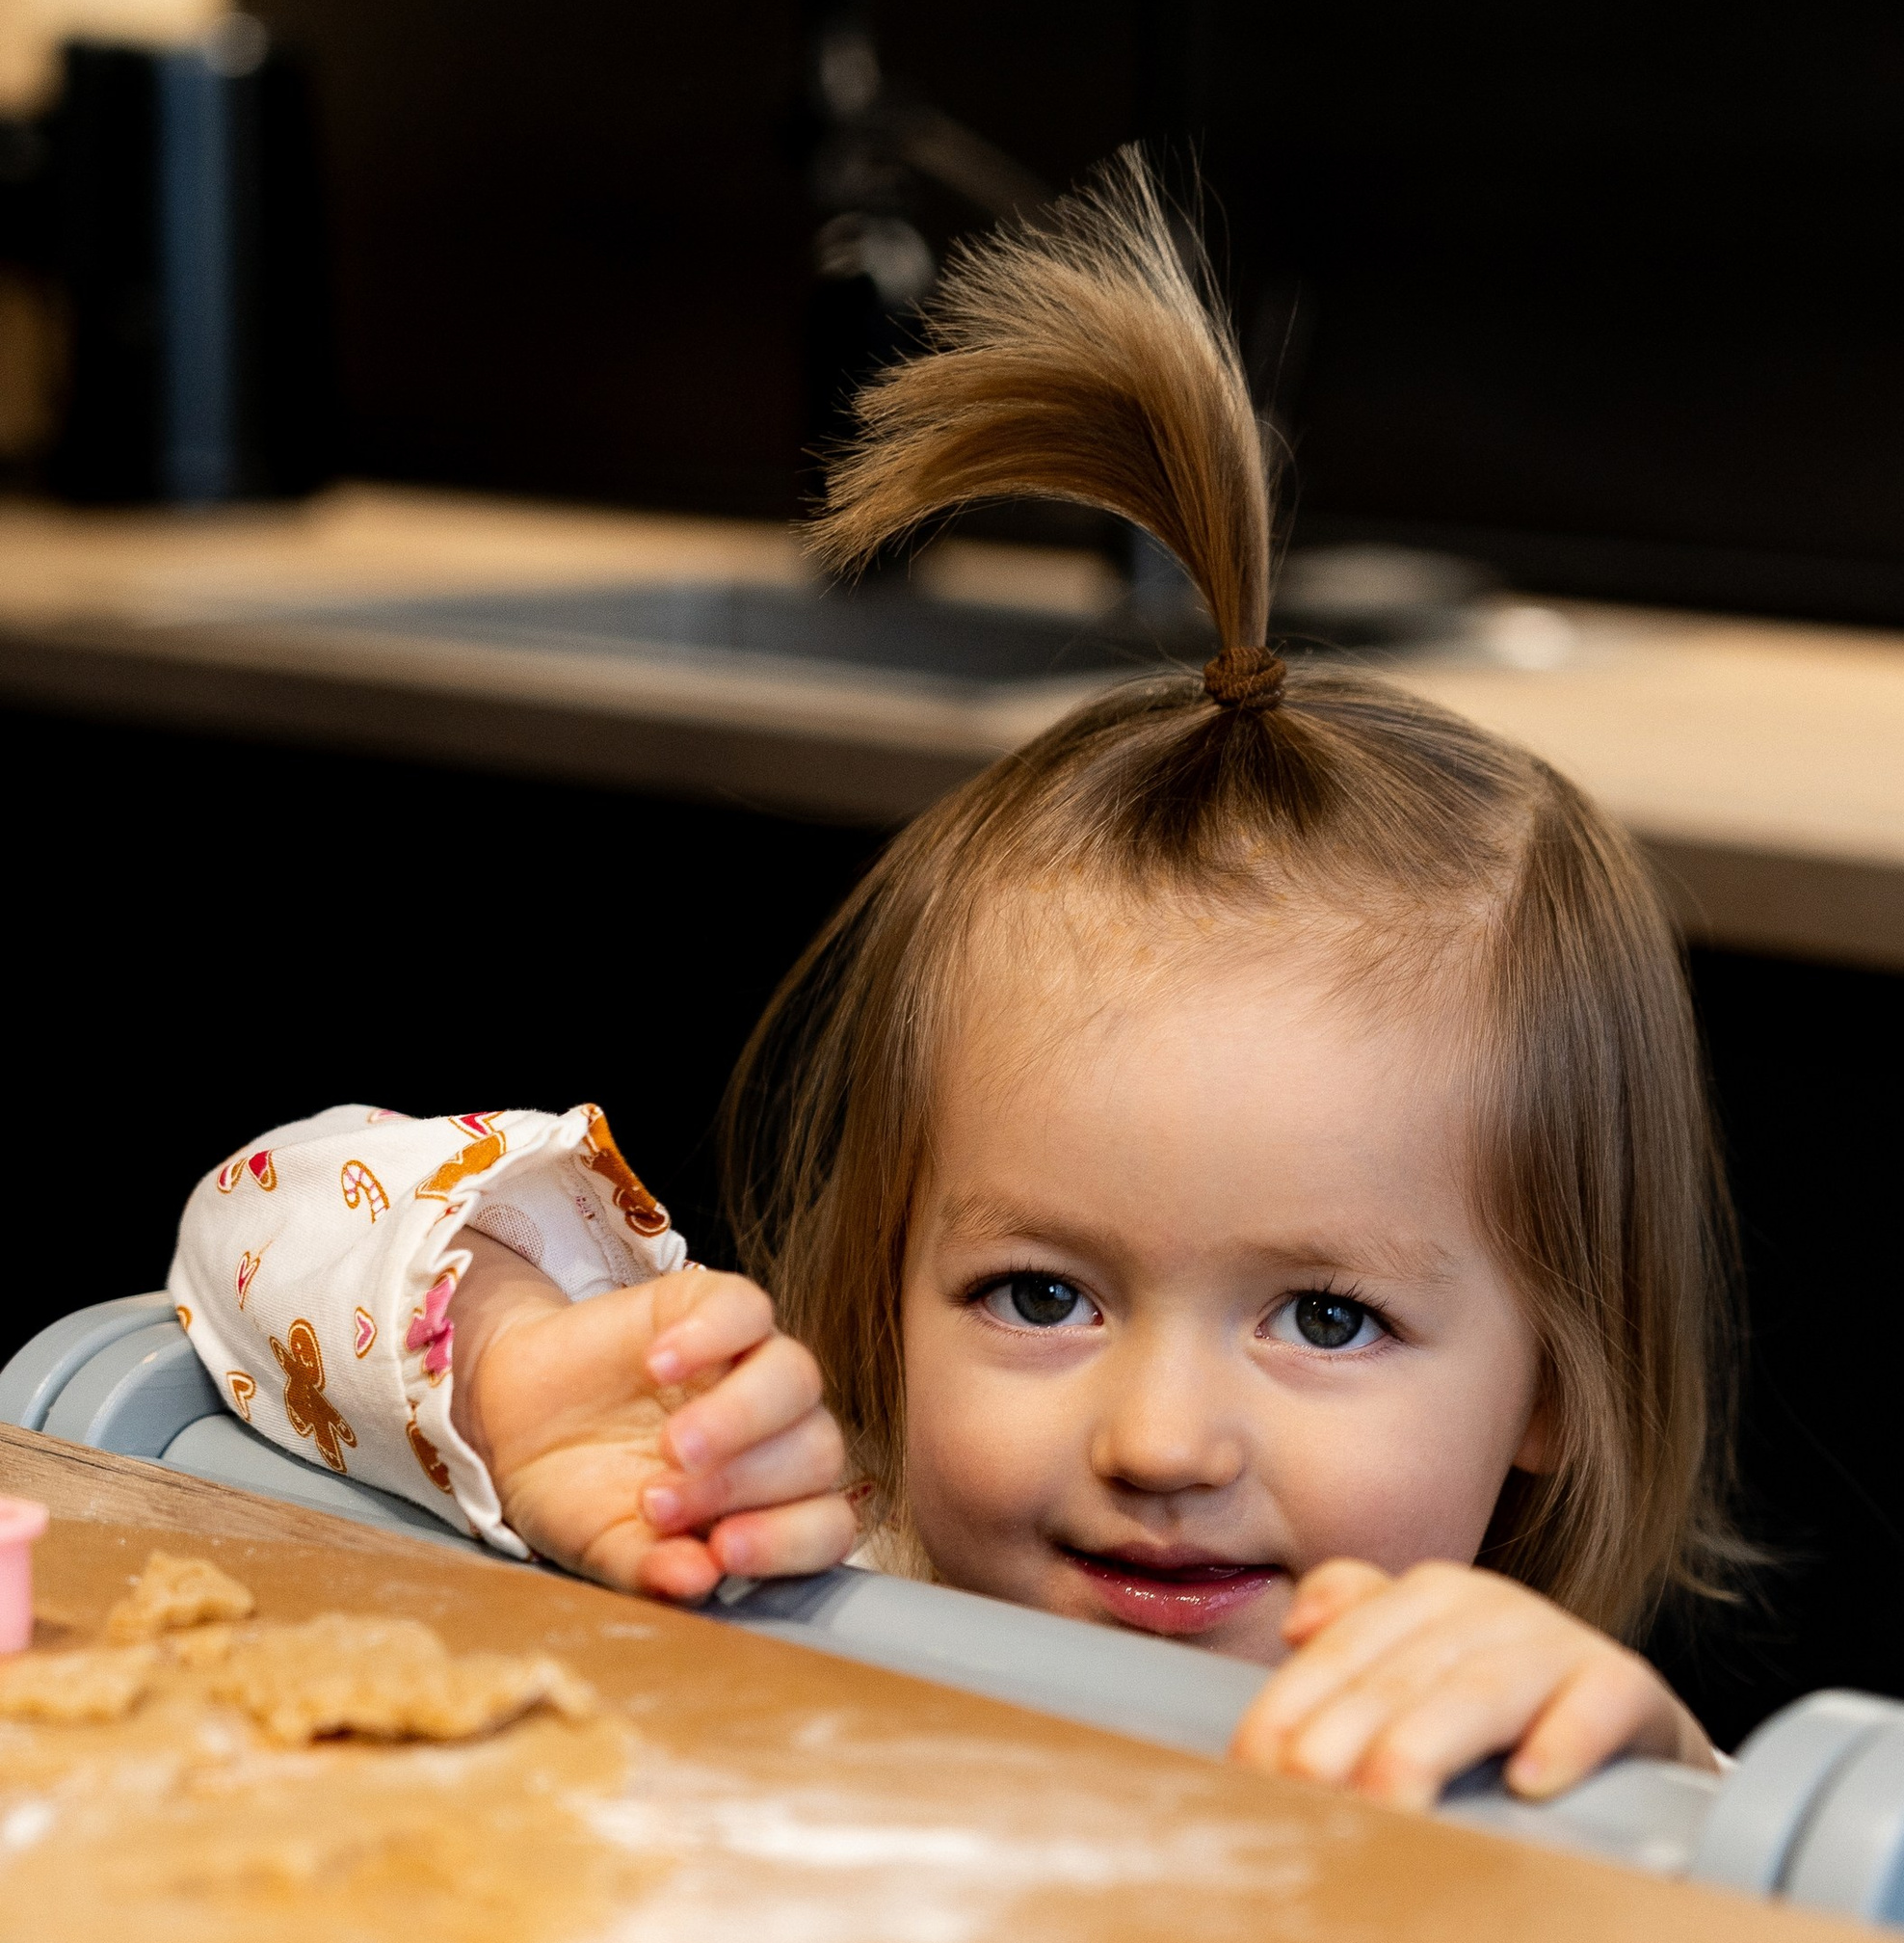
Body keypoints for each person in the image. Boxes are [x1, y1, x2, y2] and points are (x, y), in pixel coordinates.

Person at [171, 163, 1742, 1807]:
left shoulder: (1549, 1749)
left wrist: (1630, 1774)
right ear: (887, 1281)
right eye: (1039, 1297)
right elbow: (252, 1223)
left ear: (1556, 1381)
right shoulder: (793, 1549)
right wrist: (507, 1371)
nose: (1160, 1444)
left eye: (1326, 1318)